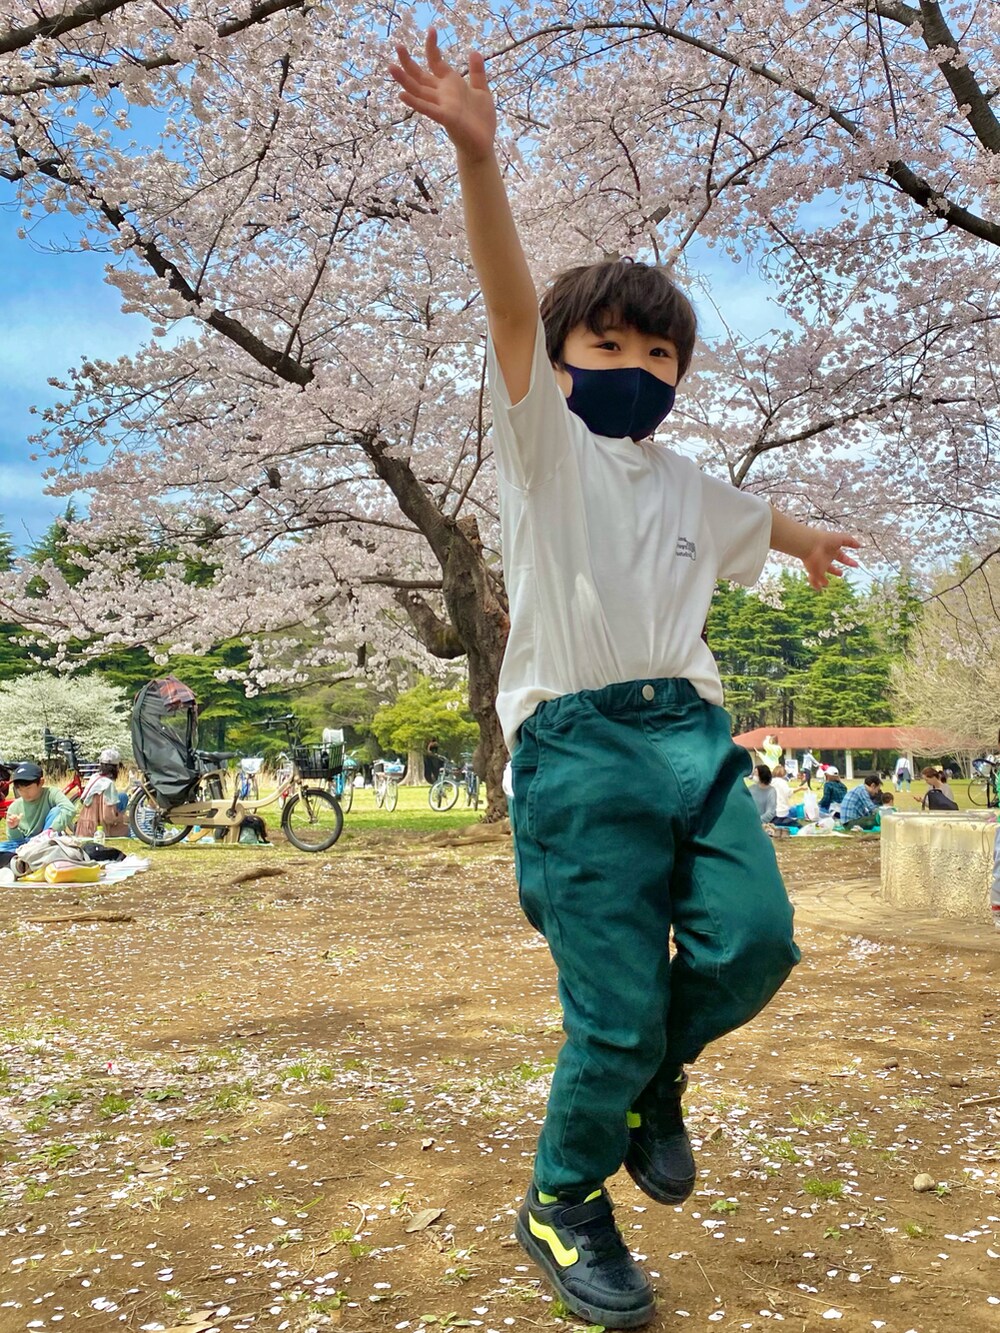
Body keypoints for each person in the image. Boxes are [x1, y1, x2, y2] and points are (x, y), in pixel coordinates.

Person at [390, 30, 861, 1329]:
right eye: (605, 347)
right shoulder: (544, 445)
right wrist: (481, 162)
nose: (634, 373)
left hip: (693, 741)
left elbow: (747, 517)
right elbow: (504, 305)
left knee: (757, 944)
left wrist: (807, 538)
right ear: (560, 363)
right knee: (610, 1006)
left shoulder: (688, 484)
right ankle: (562, 1198)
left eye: (659, 360)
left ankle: (659, 1080)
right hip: (580, 751)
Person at [0, 762, 77, 851]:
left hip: (47, 837)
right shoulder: (14, 807)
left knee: (57, 810)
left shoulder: (51, 794)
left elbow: (70, 809)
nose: (24, 793)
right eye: (20, 790)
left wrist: (52, 829)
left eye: (28, 788)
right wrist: (13, 827)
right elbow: (15, 841)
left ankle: (40, 846)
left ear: (41, 782)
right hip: (25, 842)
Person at [74, 748, 129, 839]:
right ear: (115, 768)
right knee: (127, 829)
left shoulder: (94, 777)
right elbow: (108, 817)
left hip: (84, 827)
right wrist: (122, 818)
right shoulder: (108, 784)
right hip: (98, 830)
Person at [770, 763, 799, 828]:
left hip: (770, 814)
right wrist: (800, 788)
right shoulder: (783, 782)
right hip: (782, 813)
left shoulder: (769, 782)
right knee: (798, 825)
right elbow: (788, 793)